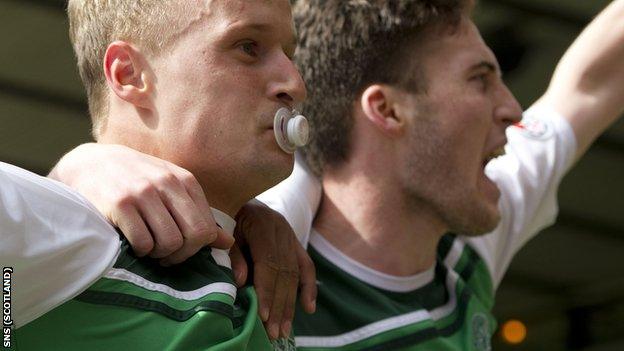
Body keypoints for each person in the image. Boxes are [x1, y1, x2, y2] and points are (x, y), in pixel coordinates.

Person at [52, 0, 624, 349]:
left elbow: (590, 85)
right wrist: (82, 168)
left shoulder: (469, 233)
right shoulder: (276, 225)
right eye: (479, 79)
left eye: (288, 53)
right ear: (387, 110)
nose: (513, 110)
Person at [11, 0, 314, 349]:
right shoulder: (62, 233)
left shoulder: (269, 246)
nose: (296, 83)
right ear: (129, 74)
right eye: (248, 47)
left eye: (289, 54)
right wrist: (73, 169)